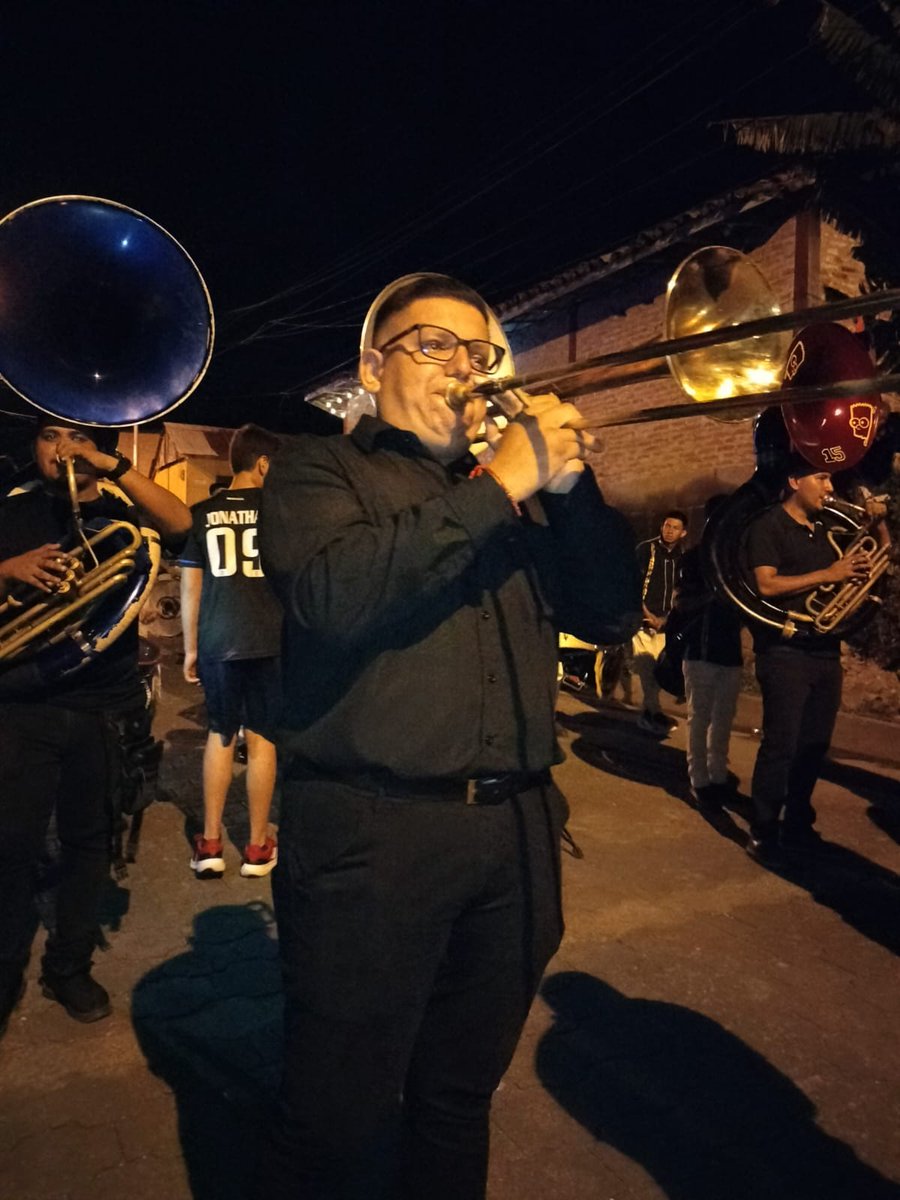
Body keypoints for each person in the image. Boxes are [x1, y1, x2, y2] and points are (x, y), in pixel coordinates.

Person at [257, 272, 641, 1200]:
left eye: (479, 352)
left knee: (459, 1098)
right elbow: (336, 596)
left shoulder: (509, 499)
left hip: (513, 834)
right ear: (370, 367)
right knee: (338, 1114)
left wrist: (570, 489)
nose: (464, 368)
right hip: (371, 837)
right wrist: (503, 481)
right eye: (433, 345)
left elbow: (610, 613)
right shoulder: (320, 470)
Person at [0, 417, 191, 1032]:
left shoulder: (122, 508)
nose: (62, 449)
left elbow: (182, 525)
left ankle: (70, 966)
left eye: (77, 437)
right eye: (49, 436)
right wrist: (7, 569)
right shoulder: (13, 507)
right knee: (12, 845)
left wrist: (115, 468)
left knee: (90, 843)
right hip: (22, 704)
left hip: (104, 706)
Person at [744, 455, 879, 860]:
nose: (829, 488)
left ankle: (797, 822)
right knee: (781, 746)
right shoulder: (768, 526)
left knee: (813, 747)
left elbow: (857, 566)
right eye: (821, 478)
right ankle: (763, 829)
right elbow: (766, 585)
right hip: (784, 652)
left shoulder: (823, 529)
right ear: (794, 481)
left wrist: (874, 532)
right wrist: (830, 575)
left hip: (824, 652)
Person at [179, 423, 283, 879]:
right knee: (261, 739)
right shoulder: (280, 511)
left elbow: (190, 586)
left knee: (220, 734)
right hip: (269, 639)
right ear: (262, 463)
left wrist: (190, 648)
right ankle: (257, 848)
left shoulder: (202, 513)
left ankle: (210, 844)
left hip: (219, 638)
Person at [674, 496, 743, 813]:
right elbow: (681, 603)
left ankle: (718, 775)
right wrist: (715, 594)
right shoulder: (693, 559)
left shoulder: (737, 559)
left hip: (730, 651)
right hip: (699, 650)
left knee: (724, 719)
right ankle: (699, 780)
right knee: (699, 718)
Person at [633, 509, 687, 734]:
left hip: (666, 623)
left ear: (683, 533)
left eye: (675, 528)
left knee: (659, 669)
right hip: (644, 621)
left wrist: (667, 619)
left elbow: (681, 591)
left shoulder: (683, 556)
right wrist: (646, 614)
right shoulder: (646, 550)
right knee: (647, 669)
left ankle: (652, 712)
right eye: (667, 526)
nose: (670, 531)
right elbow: (634, 585)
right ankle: (651, 714)